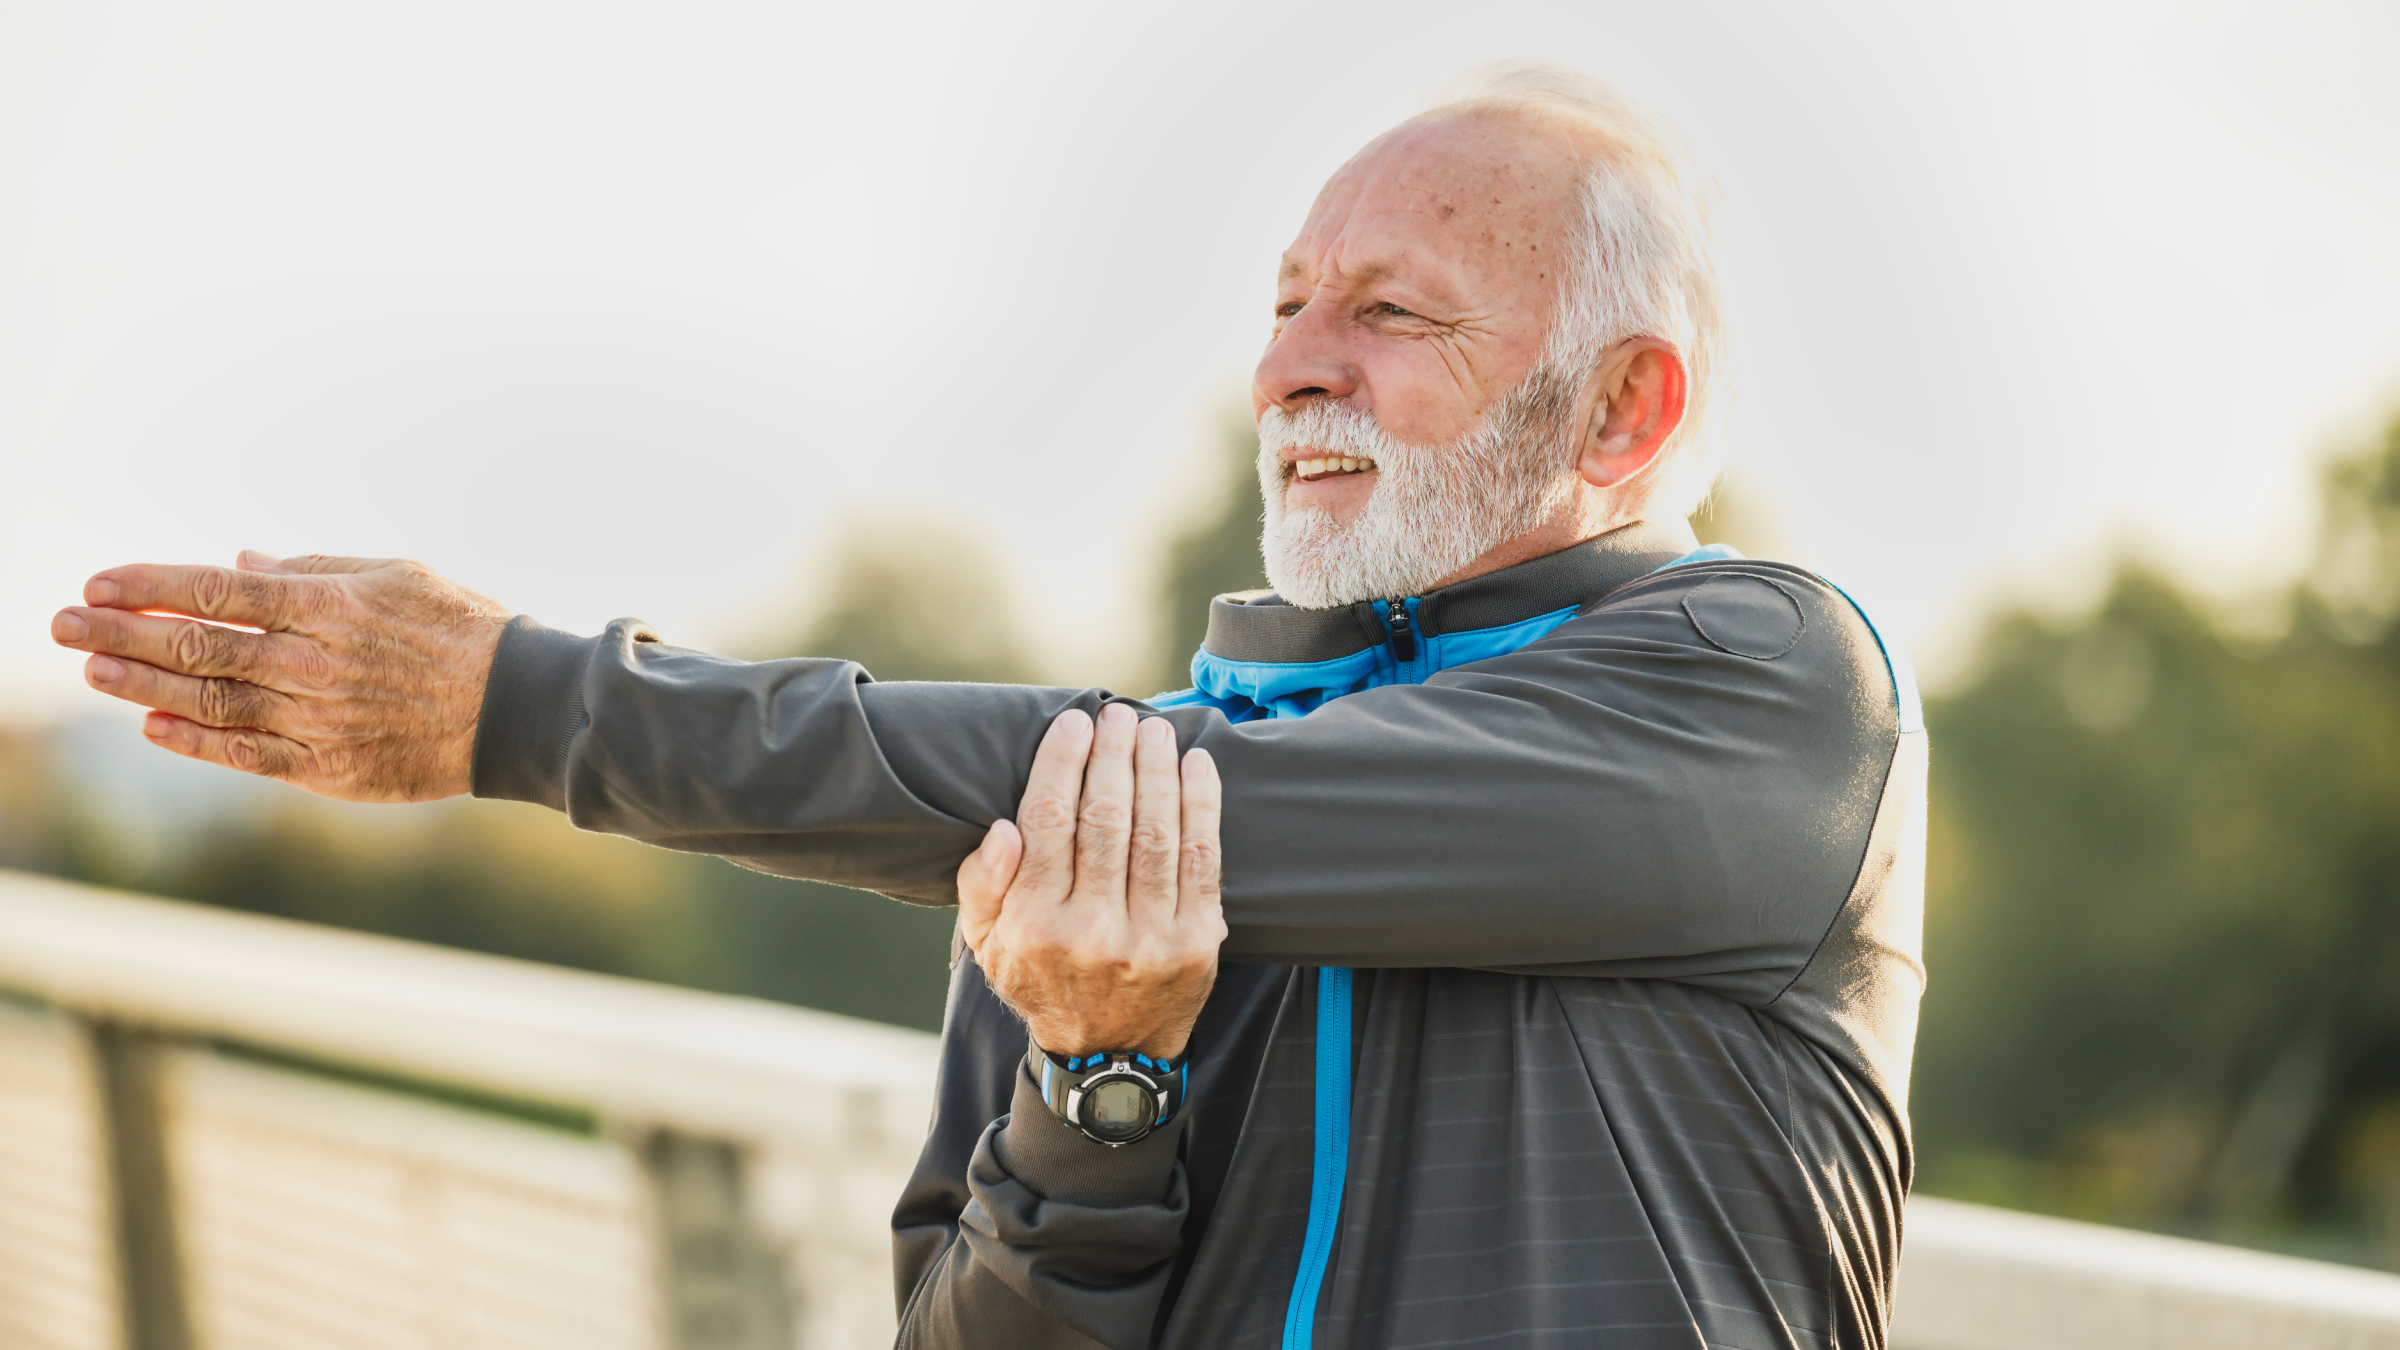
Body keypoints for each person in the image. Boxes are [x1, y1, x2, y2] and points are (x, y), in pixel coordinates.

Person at [48, 60, 1925, 1350]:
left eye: (1390, 315)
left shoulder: (1767, 686)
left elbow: (1197, 803)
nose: (1285, 368)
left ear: (1627, 411)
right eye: (1282, 306)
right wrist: (1091, 1099)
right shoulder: (1082, 820)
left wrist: (521, 706)